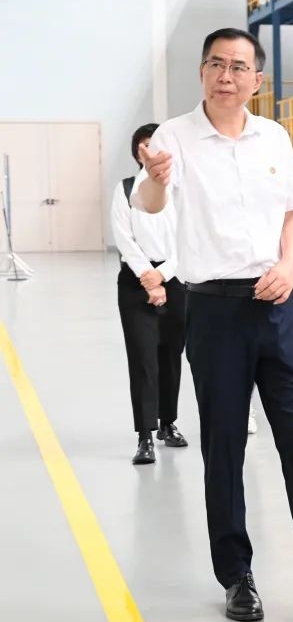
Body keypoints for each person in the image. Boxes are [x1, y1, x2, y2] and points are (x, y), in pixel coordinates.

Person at [133, 27, 293, 622]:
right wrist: (155, 177)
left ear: (257, 79)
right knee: (224, 446)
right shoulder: (173, 137)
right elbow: (150, 204)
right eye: (215, 64)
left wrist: (289, 266)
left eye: (237, 66)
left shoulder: (273, 136)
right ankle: (237, 577)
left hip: (278, 306)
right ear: (202, 72)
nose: (225, 76)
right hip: (214, 312)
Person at [111, 122, 187, 466]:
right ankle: (145, 435)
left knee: (171, 355)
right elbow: (124, 238)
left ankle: (167, 424)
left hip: (176, 278)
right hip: (135, 281)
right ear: (137, 154)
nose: (150, 153)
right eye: (144, 147)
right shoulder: (126, 189)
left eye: (156, 146)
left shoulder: (182, 190)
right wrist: (149, 278)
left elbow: (190, 236)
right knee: (143, 358)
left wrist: (164, 275)